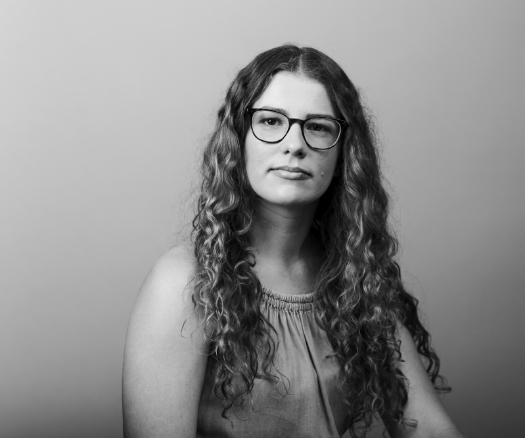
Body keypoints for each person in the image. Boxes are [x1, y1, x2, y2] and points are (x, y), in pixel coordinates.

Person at [122, 45, 465, 438]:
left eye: (317, 126)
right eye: (270, 121)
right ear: (239, 138)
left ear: (344, 153)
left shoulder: (359, 280)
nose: (294, 144)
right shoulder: (184, 282)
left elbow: (430, 429)